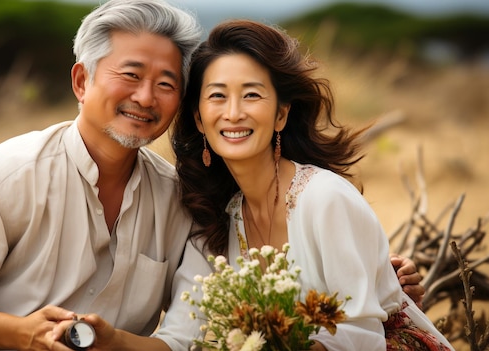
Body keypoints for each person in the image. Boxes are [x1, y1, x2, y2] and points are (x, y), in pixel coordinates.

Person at [0, 1, 424, 350]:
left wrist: (373, 277)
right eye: (130, 75)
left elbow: (184, 338)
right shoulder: (10, 172)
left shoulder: (179, 199)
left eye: (167, 82)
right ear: (82, 80)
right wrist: (23, 335)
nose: (146, 97)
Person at [171, 19, 454, 350]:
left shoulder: (324, 198)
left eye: (251, 94)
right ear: (198, 118)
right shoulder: (224, 218)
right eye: (217, 95)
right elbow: (182, 331)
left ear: (281, 114)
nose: (233, 113)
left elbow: (358, 335)